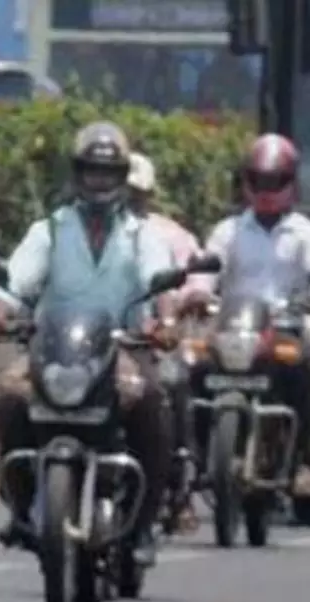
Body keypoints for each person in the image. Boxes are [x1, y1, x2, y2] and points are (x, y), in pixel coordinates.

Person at [0, 121, 176, 566]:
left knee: (152, 402)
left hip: (121, 349)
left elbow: (158, 278)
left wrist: (163, 321)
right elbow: (16, 282)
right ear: (78, 174)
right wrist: (0, 312)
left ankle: (143, 524)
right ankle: (23, 500)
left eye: (108, 173)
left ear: (123, 176)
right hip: (54, 352)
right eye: (92, 172)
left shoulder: (142, 234)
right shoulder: (50, 229)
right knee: (9, 396)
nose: (99, 182)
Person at [186, 134, 310, 487]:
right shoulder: (229, 231)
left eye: (276, 182)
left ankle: (305, 461)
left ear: (292, 183)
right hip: (235, 329)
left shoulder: (303, 233)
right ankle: (192, 461)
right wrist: (196, 293)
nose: (267, 190)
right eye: (259, 181)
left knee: (307, 367)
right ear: (245, 183)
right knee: (189, 372)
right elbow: (206, 272)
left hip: (286, 328)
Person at [128, 151, 207, 531]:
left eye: (134, 193)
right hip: (96, 346)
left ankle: (175, 485)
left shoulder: (168, 236)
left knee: (172, 382)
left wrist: (179, 309)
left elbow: (197, 277)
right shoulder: (74, 231)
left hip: (153, 345)